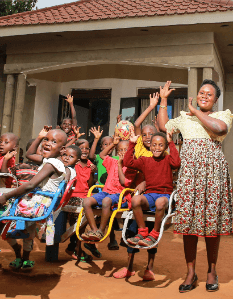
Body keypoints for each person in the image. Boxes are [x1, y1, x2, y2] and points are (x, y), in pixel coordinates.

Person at [157, 80, 233, 292]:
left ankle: (212, 270)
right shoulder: (183, 118)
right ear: (197, 95)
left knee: (212, 225)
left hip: (213, 175)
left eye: (209, 94)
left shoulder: (221, 115)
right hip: (190, 175)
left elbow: (219, 129)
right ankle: (191, 272)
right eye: (201, 92)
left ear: (215, 100)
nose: (204, 96)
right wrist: (163, 100)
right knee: (188, 224)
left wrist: (195, 111)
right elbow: (164, 126)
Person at [0, 129, 68, 270]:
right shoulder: (49, 161)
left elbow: (30, 185)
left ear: (62, 150)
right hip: (36, 202)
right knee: (13, 225)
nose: (47, 143)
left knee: (3, 214)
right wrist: (39, 136)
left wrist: (6, 195)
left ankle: (21, 252)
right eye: (46, 140)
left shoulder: (51, 164)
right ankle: (18, 244)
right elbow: (29, 154)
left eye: (53, 141)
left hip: (36, 205)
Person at [124, 128, 180, 247]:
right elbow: (128, 162)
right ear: (150, 146)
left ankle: (154, 233)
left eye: (161, 145)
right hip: (150, 196)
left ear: (165, 148)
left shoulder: (168, 159)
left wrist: (171, 143)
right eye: (154, 145)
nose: (157, 148)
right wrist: (132, 144)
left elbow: (176, 163)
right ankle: (142, 232)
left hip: (165, 196)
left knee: (160, 202)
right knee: (135, 199)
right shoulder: (145, 160)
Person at [81, 134, 137, 241]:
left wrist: (120, 165)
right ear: (116, 151)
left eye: (126, 149)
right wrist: (113, 144)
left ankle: (101, 231)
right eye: (120, 149)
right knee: (87, 201)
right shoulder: (113, 161)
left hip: (121, 196)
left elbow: (124, 182)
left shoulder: (132, 166)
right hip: (106, 192)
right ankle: (94, 230)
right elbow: (102, 154)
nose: (123, 152)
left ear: (131, 151)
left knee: (106, 201)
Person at [65, 139, 99, 261]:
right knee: (80, 222)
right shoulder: (73, 164)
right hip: (73, 197)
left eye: (87, 148)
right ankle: (78, 248)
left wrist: (92, 173)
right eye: (81, 148)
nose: (84, 150)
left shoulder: (91, 165)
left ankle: (80, 246)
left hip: (86, 196)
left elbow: (89, 186)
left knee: (94, 214)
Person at [89, 126, 120, 250]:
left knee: (108, 217)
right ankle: (93, 240)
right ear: (102, 147)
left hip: (112, 192)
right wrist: (96, 139)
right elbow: (91, 155)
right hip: (100, 190)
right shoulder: (98, 158)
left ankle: (112, 239)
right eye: (105, 144)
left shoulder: (117, 159)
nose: (108, 146)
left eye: (110, 144)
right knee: (99, 216)